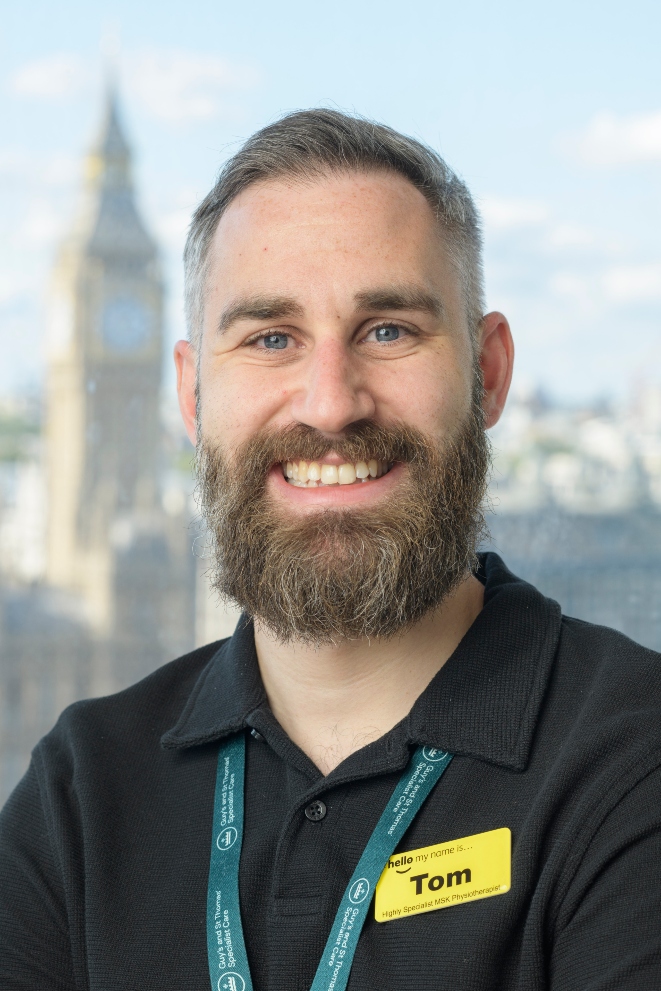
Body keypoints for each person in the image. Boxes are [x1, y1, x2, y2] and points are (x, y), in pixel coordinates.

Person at [1, 109, 660, 991]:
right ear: (192, 396)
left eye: (387, 329)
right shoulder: (79, 793)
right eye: (270, 337)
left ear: (489, 372)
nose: (329, 402)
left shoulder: (634, 759)